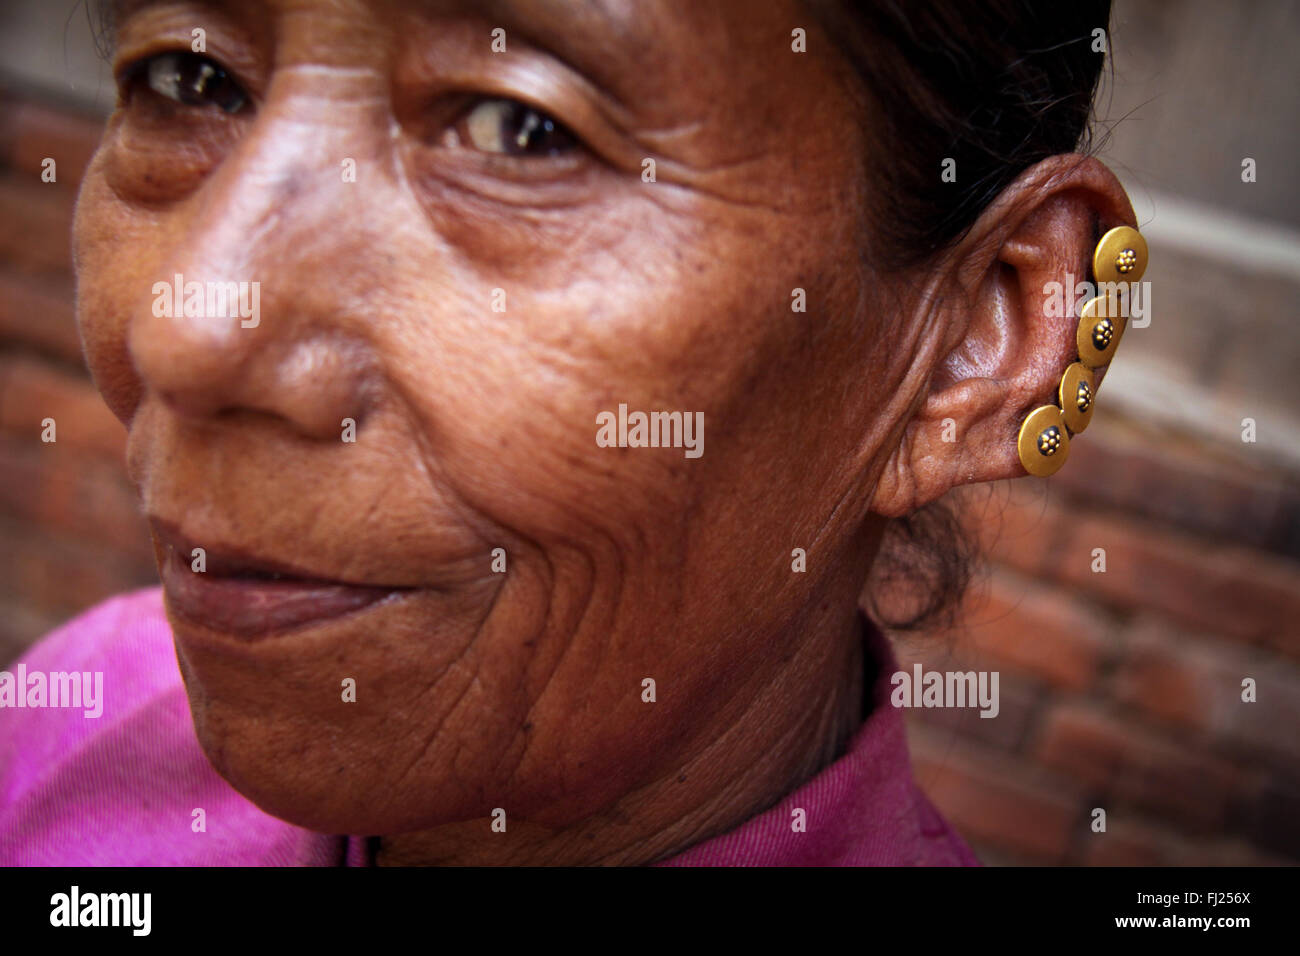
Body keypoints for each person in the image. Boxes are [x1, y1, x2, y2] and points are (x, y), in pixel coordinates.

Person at [0, 0, 1144, 866]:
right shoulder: (81, 707)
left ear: (972, 341)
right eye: (188, 78)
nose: (185, 330)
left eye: (517, 130)